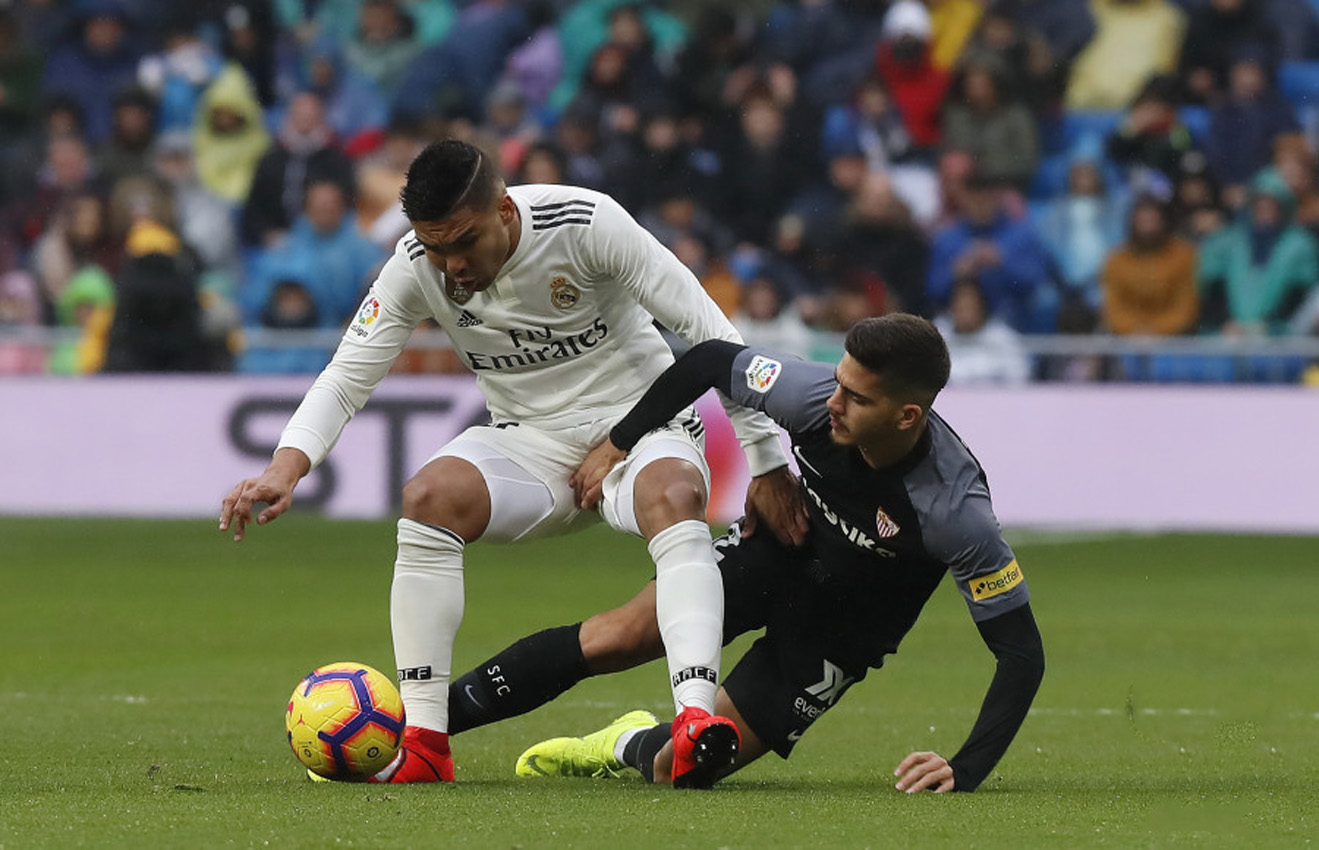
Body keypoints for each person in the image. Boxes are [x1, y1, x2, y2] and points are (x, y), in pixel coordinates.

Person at [219, 139, 805, 785]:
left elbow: (710, 333)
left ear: (502, 209)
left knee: (673, 496)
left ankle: (694, 719)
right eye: (435, 247)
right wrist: (286, 465)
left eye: (464, 242)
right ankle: (424, 744)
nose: (451, 266)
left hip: (642, 429)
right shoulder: (415, 263)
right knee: (427, 498)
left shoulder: (585, 224)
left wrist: (767, 460)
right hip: (530, 443)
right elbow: (346, 376)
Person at [434, 314, 1044, 792]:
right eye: (839, 381)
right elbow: (706, 361)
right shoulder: (812, 395)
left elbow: (1021, 656)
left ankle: (625, 742)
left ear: (907, 415)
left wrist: (963, 770)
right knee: (619, 637)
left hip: (845, 628)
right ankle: (424, 725)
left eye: (857, 398)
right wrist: (621, 443)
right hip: (783, 547)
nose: (834, 402)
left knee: (685, 766)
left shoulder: (957, 515)